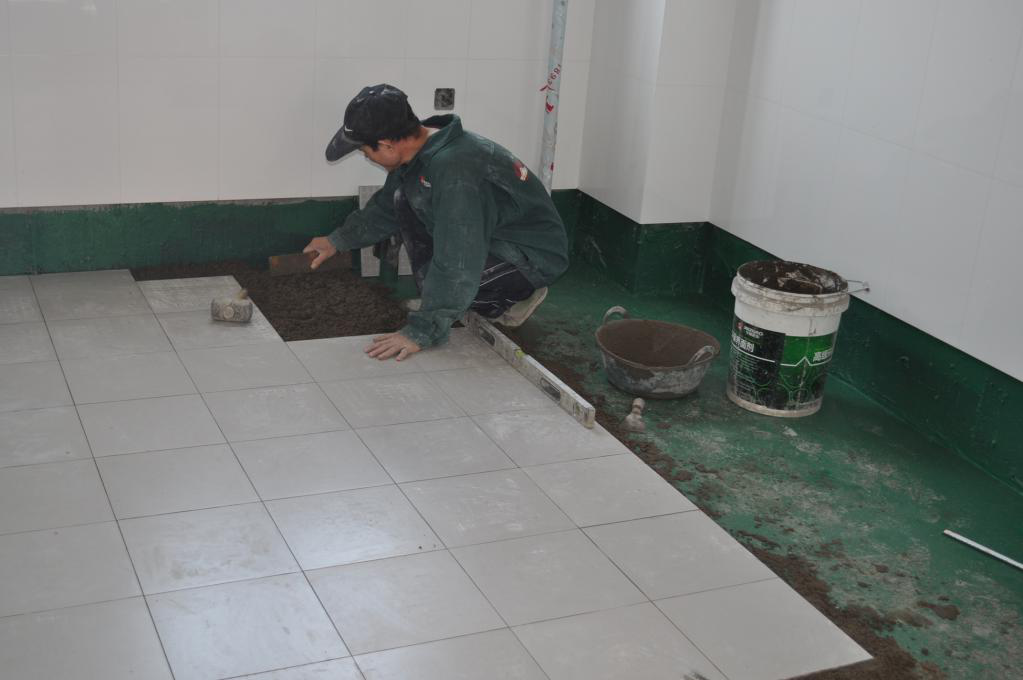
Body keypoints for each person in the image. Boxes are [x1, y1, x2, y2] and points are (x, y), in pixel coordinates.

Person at [304, 84, 568, 362]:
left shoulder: (455, 170)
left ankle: (515, 299)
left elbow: (459, 259)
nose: (366, 156)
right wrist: (336, 241)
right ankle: (449, 301)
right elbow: (386, 209)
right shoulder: (421, 152)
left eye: (365, 151)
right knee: (403, 199)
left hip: (530, 257)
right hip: (489, 238)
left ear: (387, 144)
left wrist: (421, 330)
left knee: (457, 278)